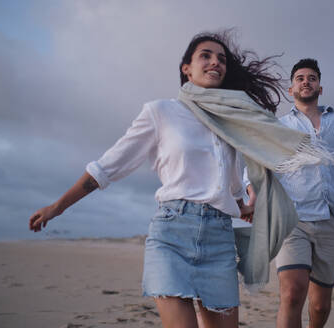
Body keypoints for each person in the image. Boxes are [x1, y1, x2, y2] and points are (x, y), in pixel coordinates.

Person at [29, 31, 293, 328]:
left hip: (219, 240)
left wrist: (244, 202)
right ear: (186, 68)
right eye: (205, 55)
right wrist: (58, 206)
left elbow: (228, 186)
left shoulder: (232, 122)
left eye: (221, 59)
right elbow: (107, 167)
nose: (215, 62)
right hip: (172, 234)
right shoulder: (162, 112)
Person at [245, 58, 334, 328]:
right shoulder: (278, 126)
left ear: (321, 87)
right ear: (291, 88)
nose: (306, 81)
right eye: (300, 78)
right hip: (291, 220)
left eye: (312, 78)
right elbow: (255, 165)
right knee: (293, 294)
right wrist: (253, 194)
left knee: (320, 305)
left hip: (331, 221)